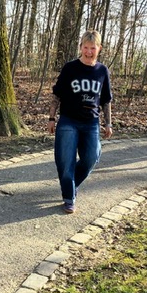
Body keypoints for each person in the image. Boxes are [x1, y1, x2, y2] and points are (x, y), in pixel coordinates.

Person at [48, 30, 112, 214]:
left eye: (93, 48)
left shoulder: (102, 71)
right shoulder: (70, 68)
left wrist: (108, 123)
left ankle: (71, 183)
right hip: (68, 121)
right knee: (65, 161)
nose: (89, 52)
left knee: (92, 157)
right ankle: (69, 196)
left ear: (99, 48)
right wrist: (51, 118)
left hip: (91, 123)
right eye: (86, 47)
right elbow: (57, 95)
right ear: (81, 47)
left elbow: (106, 100)